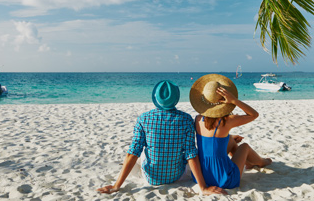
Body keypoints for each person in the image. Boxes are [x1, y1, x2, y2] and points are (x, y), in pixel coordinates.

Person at [97, 80, 227, 195]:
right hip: (176, 176)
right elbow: (191, 154)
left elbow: (133, 153)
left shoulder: (143, 118)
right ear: (176, 98)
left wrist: (116, 186)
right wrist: (202, 187)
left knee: (138, 151)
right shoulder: (186, 119)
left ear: (155, 98)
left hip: (151, 178)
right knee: (184, 151)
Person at [189, 74, 272, 189]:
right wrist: (234, 100)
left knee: (231, 139)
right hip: (225, 179)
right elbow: (254, 114)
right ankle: (262, 162)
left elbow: (211, 140)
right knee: (244, 147)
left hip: (201, 176)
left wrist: (230, 137)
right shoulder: (226, 120)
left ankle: (246, 163)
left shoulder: (198, 119)